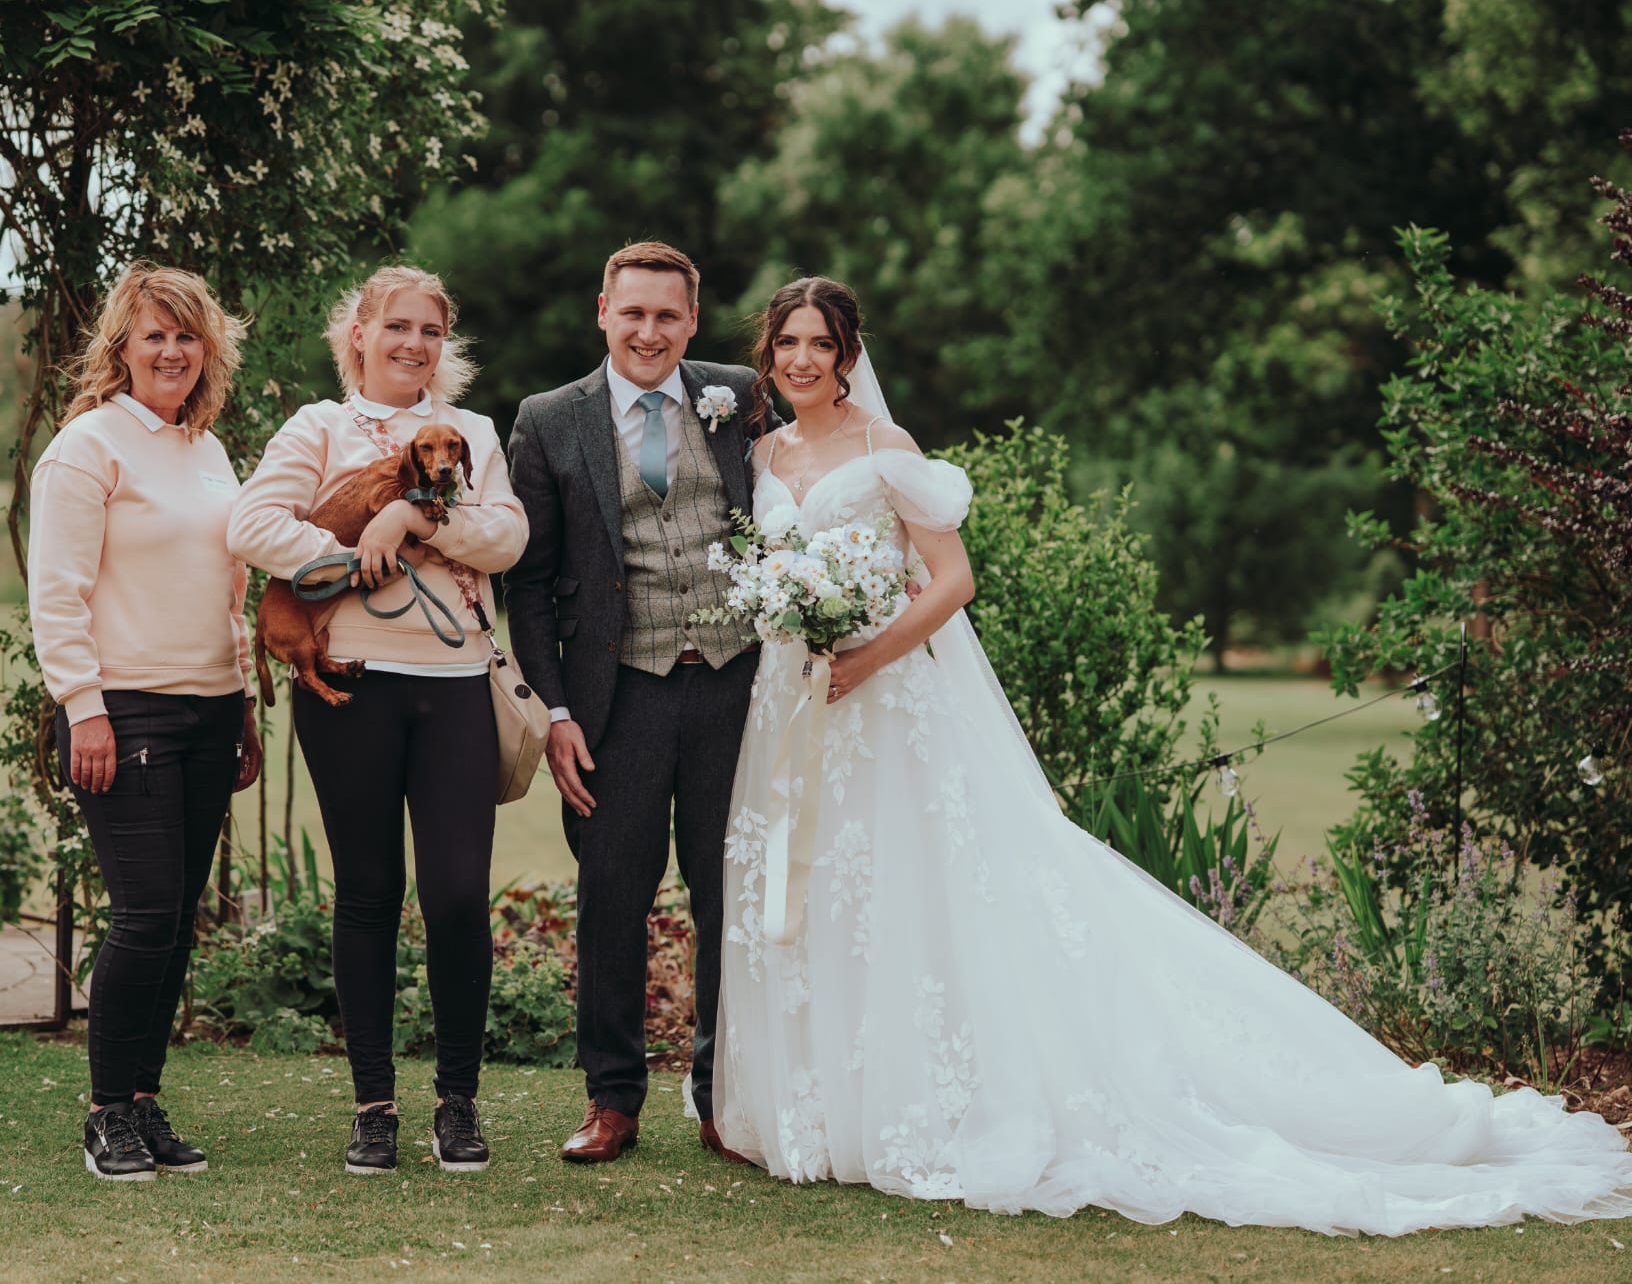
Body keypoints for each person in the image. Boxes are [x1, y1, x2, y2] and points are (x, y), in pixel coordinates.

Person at [709, 276, 1632, 1233]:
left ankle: (923, 1107)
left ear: (848, 355)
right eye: (789, 343)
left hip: (886, 703)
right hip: (788, 705)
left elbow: (952, 580)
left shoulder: (887, 449)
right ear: (768, 353)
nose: (803, 359)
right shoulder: (763, 452)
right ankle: (822, 1110)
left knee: (907, 894)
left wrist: (866, 656)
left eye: (822, 343)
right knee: (818, 892)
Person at [227, 265, 526, 1175]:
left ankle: (458, 1102)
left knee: (457, 895)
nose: (413, 344)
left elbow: (507, 535)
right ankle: (373, 1106)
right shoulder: (317, 427)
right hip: (354, 687)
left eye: (430, 330)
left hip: (456, 683)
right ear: (358, 335)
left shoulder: (473, 433)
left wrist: (416, 520)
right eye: (397, 326)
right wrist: (352, 549)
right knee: (366, 892)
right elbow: (250, 525)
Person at [505, 241, 761, 1164]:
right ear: (603, 312)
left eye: (667, 316)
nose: (649, 332)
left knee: (728, 894)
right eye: (633, 313)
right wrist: (556, 712)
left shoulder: (739, 394)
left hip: (737, 683)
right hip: (617, 697)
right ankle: (611, 1099)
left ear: (691, 322)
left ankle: (723, 1095)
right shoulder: (547, 419)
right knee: (612, 896)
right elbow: (529, 585)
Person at [28, 263, 263, 1182]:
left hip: (211, 710)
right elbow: (56, 592)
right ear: (121, 346)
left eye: (186, 335)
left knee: (175, 923)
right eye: (154, 334)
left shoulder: (209, 450)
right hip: (123, 711)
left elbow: (230, 593)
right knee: (145, 913)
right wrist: (83, 708)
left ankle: (144, 1098)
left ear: (208, 350)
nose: (171, 351)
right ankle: (104, 1114)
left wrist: (244, 706)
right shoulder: (88, 446)